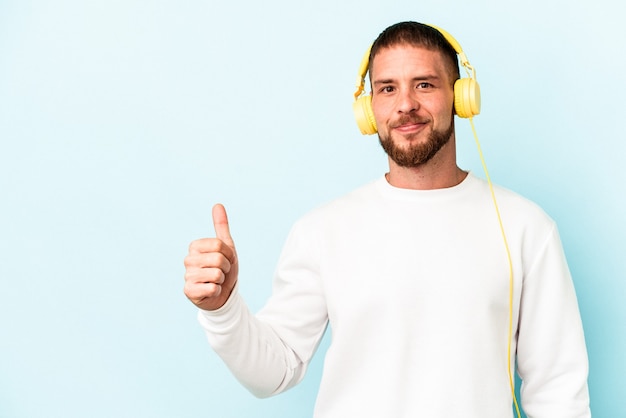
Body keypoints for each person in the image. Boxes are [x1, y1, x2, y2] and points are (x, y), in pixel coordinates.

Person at [183, 21, 590, 418]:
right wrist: (223, 309)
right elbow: (273, 372)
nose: (405, 104)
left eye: (425, 84)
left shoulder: (525, 228)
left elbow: (558, 391)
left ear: (462, 97)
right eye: (388, 88)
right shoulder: (323, 231)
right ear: (369, 107)